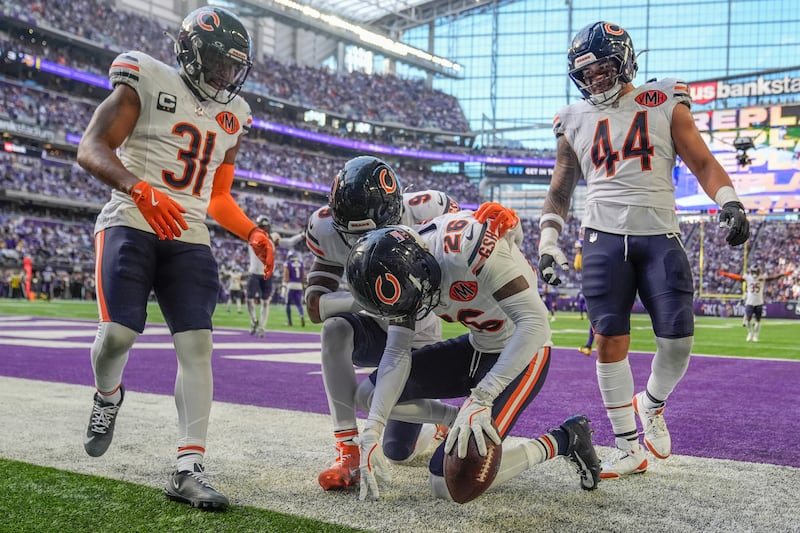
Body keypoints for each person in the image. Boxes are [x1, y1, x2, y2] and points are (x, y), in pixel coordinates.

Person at [76, 7, 274, 511]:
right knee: (117, 335)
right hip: (130, 217)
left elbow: (217, 197)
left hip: (188, 231)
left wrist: (251, 231)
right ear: (190, 52)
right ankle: (107, 395)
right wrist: (140, 190)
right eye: (218, 63)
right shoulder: (145, 75)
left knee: (198, 347)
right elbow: (92, 146)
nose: (226, 76)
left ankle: (188, 469)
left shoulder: (236, 114)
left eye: (234, 67)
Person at [537, 21, 750, 479]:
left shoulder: (663, 99)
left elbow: (702, 160)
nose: (595, 80)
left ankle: (650, 404)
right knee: (610, 341)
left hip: (659, 235)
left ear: (625, 59)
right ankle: (627, 447)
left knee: (678, 341)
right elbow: (560, 188)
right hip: (601, 238)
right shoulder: (573, 118)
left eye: (602, 69)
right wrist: (548, 243)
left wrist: (729, 201)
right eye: (586, 74)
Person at [344, 206, 600, 502]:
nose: (413, 314)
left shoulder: (465, 245)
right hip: (478, 345)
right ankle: (453, 419)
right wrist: (373, 430)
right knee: (367, 395)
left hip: (522, 352)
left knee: (448, 486)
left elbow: (535, 324)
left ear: (422, 266)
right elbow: (397, 350)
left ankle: (565, 439)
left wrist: (482, 397)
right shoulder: (398, 268)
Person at [306, 155, 460, 491]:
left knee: (398, 452)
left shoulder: (428, 210)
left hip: (420, 337)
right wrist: (364, 298)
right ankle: (346, 448)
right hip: (376, 329)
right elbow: (316, 306)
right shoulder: (324, 229)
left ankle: (438, 426)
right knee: (334, 330)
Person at [246, 215, 304, 336]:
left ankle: (261, 327)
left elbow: (289, 242)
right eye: (262, 226)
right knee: (250, 300)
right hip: (254, 272)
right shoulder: (251, 235)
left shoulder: (272, 238)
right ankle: (253, 321)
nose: (264, 229)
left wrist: (302, 235)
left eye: (266, 226)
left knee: (265, 302)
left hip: (266, 274)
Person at [718, 264, 791, 342]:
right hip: (750, 302)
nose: (756, 273)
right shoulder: (748, 277)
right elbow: (736, 277)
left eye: (757, 271)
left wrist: (784, 274)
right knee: (748, 320)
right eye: (755, 271)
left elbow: (774, 277)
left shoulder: (762, 277)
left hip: (759, 302)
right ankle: (750, 333)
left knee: (758, 320)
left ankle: (755, 335)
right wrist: (726, 274)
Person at [282, 252, 306, 326]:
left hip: (291, 284)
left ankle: (289, 322)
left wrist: (284, 286)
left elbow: (286, 275)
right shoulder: (301, 263)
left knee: (288, 304)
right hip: (299, 285)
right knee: (299, 304)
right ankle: (301, 315)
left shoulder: (287, 263)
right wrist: (302, 285)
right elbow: (303, 275)